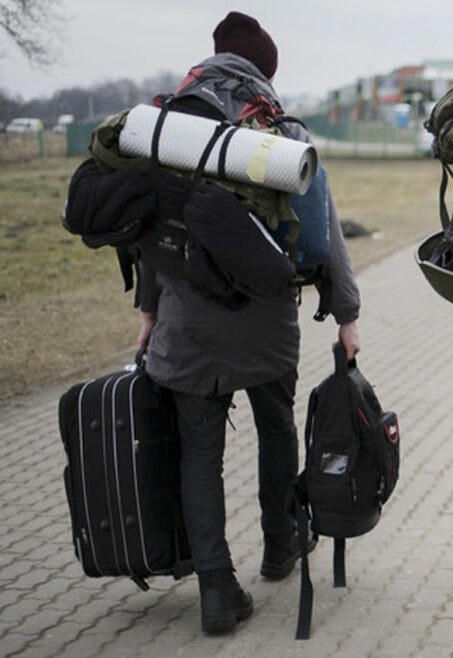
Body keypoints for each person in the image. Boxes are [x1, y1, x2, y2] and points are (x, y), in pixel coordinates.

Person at [67, 11, 361, 634]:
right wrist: (348, 315)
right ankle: (282, 545)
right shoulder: (280, 134)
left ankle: (217, 592)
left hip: (186, 326)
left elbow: (155, 231)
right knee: (277, 428)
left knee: (199, 452)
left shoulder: (166, 130)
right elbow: (323, 233)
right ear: (264, 71)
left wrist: (148, 312)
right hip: (267, 324)